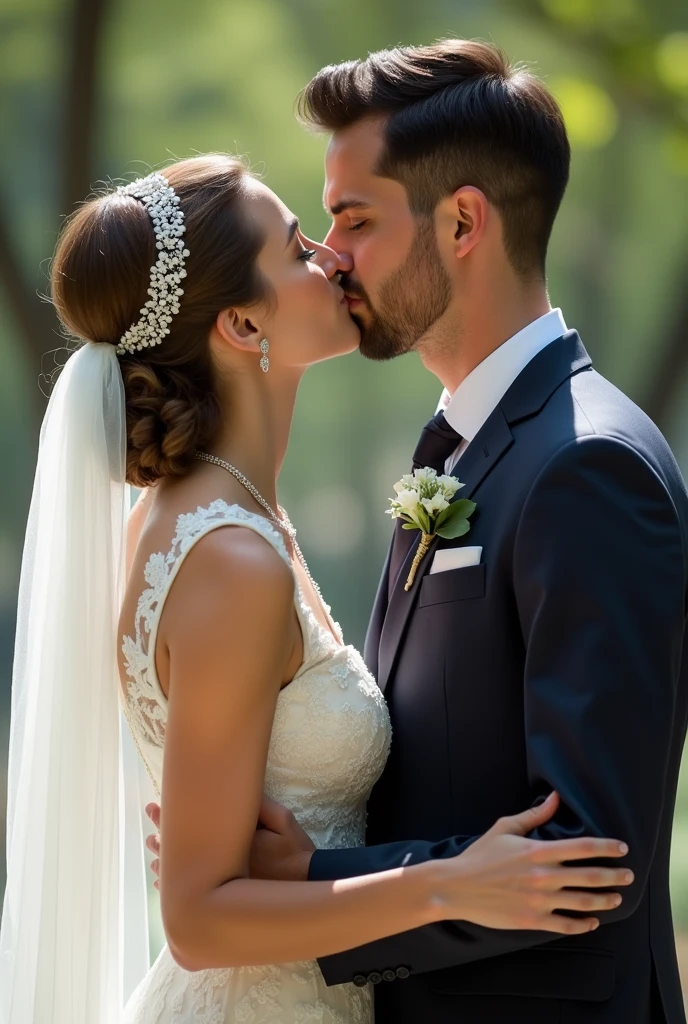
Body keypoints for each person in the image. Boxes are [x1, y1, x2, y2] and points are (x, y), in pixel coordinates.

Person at [0, 154, 631, 1024]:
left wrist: (314, 864)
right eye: (298, 249)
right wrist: (447, 886)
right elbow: (197, 917)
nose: (332, 258)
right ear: (243, 325)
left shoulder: (219, 517)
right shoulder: (228, 556)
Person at [148, 40, 688, 1024]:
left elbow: (588, 857)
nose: (331, 256)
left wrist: (318, 875)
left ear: (463, 221)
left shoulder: (586, 468)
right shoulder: (455, 451)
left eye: (354, 219)